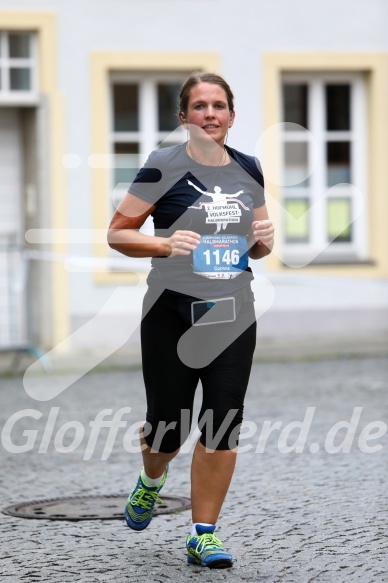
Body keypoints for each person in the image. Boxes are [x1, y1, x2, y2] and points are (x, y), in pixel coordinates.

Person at [108, 72, 274, 569]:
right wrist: (163, 243)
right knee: (167, 429)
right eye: (198, 106)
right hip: (171, 309)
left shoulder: (249, 167)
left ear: (231, 115)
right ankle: (151, 481)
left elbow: (258, 247)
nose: (209, 113)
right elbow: (118, 233)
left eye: (218, 105)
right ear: (184, 117)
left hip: (231, 309)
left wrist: (263, 237)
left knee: (223, 419)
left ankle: (204, 534)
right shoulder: (164, 164)